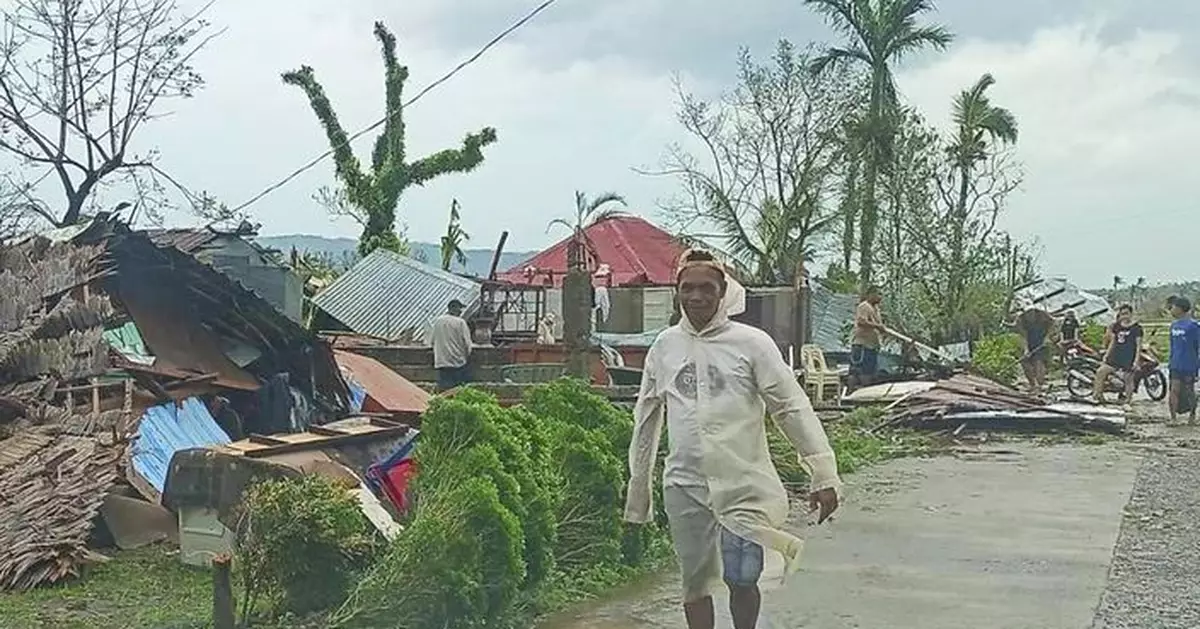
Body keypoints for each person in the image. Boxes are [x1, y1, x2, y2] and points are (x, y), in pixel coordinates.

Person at [624, 249, 840, 629]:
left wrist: (823, 472)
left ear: (723, 290)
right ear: (677, 292)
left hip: (744, 484)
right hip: (686, 485)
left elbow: (791, 407)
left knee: (742, 575)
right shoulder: (665, 346)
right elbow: (646, 420)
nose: (696, 297)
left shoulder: (751, 344)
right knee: (695, 582)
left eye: (706, 288)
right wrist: (637, 496)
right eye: (687, 288)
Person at [1094, 304, 1143, 404]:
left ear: (1131, 314)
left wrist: (1136, 360)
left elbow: (1139, 345)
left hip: (1128, 356)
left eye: (1126, 314)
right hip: (1116, 355)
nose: (1124, 316)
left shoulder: (1137, 328)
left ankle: (1128, 400)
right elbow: (1113, 341)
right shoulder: (1117, 326)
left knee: (1128, 379)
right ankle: (1098, 395)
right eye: (1122, 314)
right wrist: (1107, 354)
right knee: (1101, 372)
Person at [1168, 297, 1200, 424]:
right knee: (1173, 389)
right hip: (1175, 363)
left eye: (1174, 307)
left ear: (1181, 308)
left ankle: (1192, 416)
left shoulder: (1193, 326)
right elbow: (1172, 345)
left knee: (1189, 390)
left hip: (1189, 364)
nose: (1172, 309)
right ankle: (1173, 418)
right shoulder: (1173, 325)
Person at [430, 299, 473, 392]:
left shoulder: (438, 321)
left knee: (444, 390)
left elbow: (432, 341)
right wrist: (467, 356)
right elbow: (467, 344)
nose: (461, 311)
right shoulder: (460, 322)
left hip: (442, 362)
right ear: (453, 308)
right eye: (459, 308)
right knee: (458, 390)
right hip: (458, 363)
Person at [850, 286, 886, 389]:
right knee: (859, 371)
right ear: (871, 295)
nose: (880, 297)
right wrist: (877, 326)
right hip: (862, 345)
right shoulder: (864, 306)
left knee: (870, 370)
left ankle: (865, 391)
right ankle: (853, 392)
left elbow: (878, 325)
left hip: (872, 345)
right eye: (878, 294)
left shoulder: (876, 309)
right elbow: (861, 322)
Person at [1014, 305, 1055, 393]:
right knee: (1024, 361)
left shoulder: (1043, 315)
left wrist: (1047, 337)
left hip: (1042, 342)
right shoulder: (1021, 319)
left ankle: (1039, 385)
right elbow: (1023, 335)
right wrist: (1026, 349)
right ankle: (1033, 384)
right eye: (1028, 313)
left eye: (1032, 313)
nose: (1030, 316)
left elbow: (1053, 322)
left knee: (1039, 362)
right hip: (1029, 341)